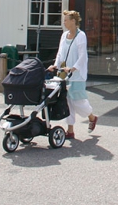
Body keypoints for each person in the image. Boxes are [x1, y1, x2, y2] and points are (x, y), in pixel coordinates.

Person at [47, 10, 98, 140]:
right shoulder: (64, 35)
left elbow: (82, 56)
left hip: (77, 75)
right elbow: (60, 53)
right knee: (67, 101)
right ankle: (70, 130)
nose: (64, 22)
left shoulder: (81, 36)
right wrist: (55, 65)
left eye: (66, 20)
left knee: (78, 101)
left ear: (73, 21)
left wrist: (73, 68)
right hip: (64, 74)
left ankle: (92, 117)